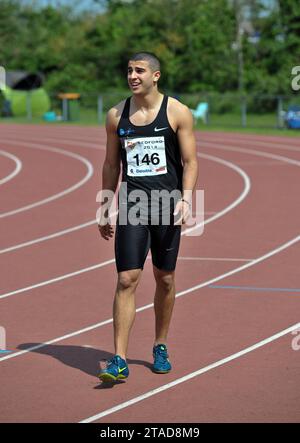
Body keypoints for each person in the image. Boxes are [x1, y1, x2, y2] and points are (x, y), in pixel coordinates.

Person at [97, 52, 198, 382]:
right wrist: (105, 203)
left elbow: (190, 161)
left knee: (164, 278)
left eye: (139, 70)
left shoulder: (177, 111)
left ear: (156, 76)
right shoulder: (116, 115)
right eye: (129, 70)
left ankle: (160, 345)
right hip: (133, 205)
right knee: (126, 279)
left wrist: (185, 198)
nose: (133, 75)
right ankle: (119, 359)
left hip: (167, 204)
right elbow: (112, 164)